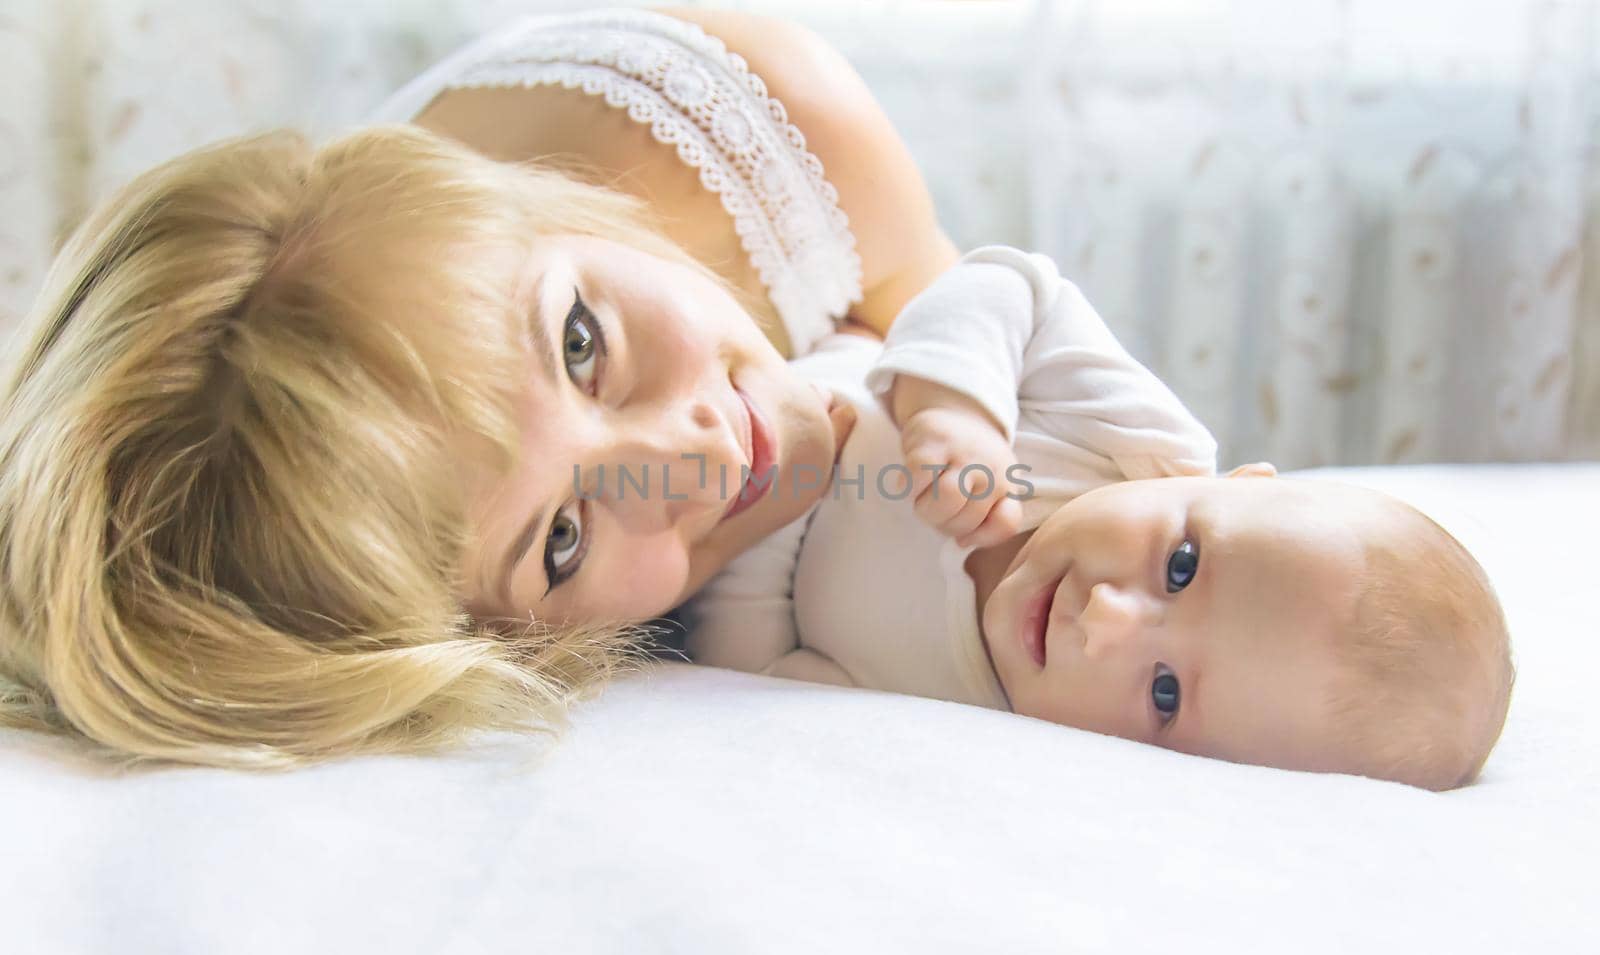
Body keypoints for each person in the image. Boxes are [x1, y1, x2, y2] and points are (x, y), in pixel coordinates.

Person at [0, 7, 946, 767]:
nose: (697, 459)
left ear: (545, 212)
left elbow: (1011, 378)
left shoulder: (770, 129)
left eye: (582, 344)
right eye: (562, 541)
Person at [682, 246, 1515, 791]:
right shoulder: (1138, 446)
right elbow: (1012, 285)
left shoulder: (964, 719)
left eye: (1163, 693)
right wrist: (955, 404)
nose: (1106, 617)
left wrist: (736, 554)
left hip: (691, 516)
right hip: (754, 356)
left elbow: (764, 677)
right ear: (1238, 481)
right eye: (1181, 566)